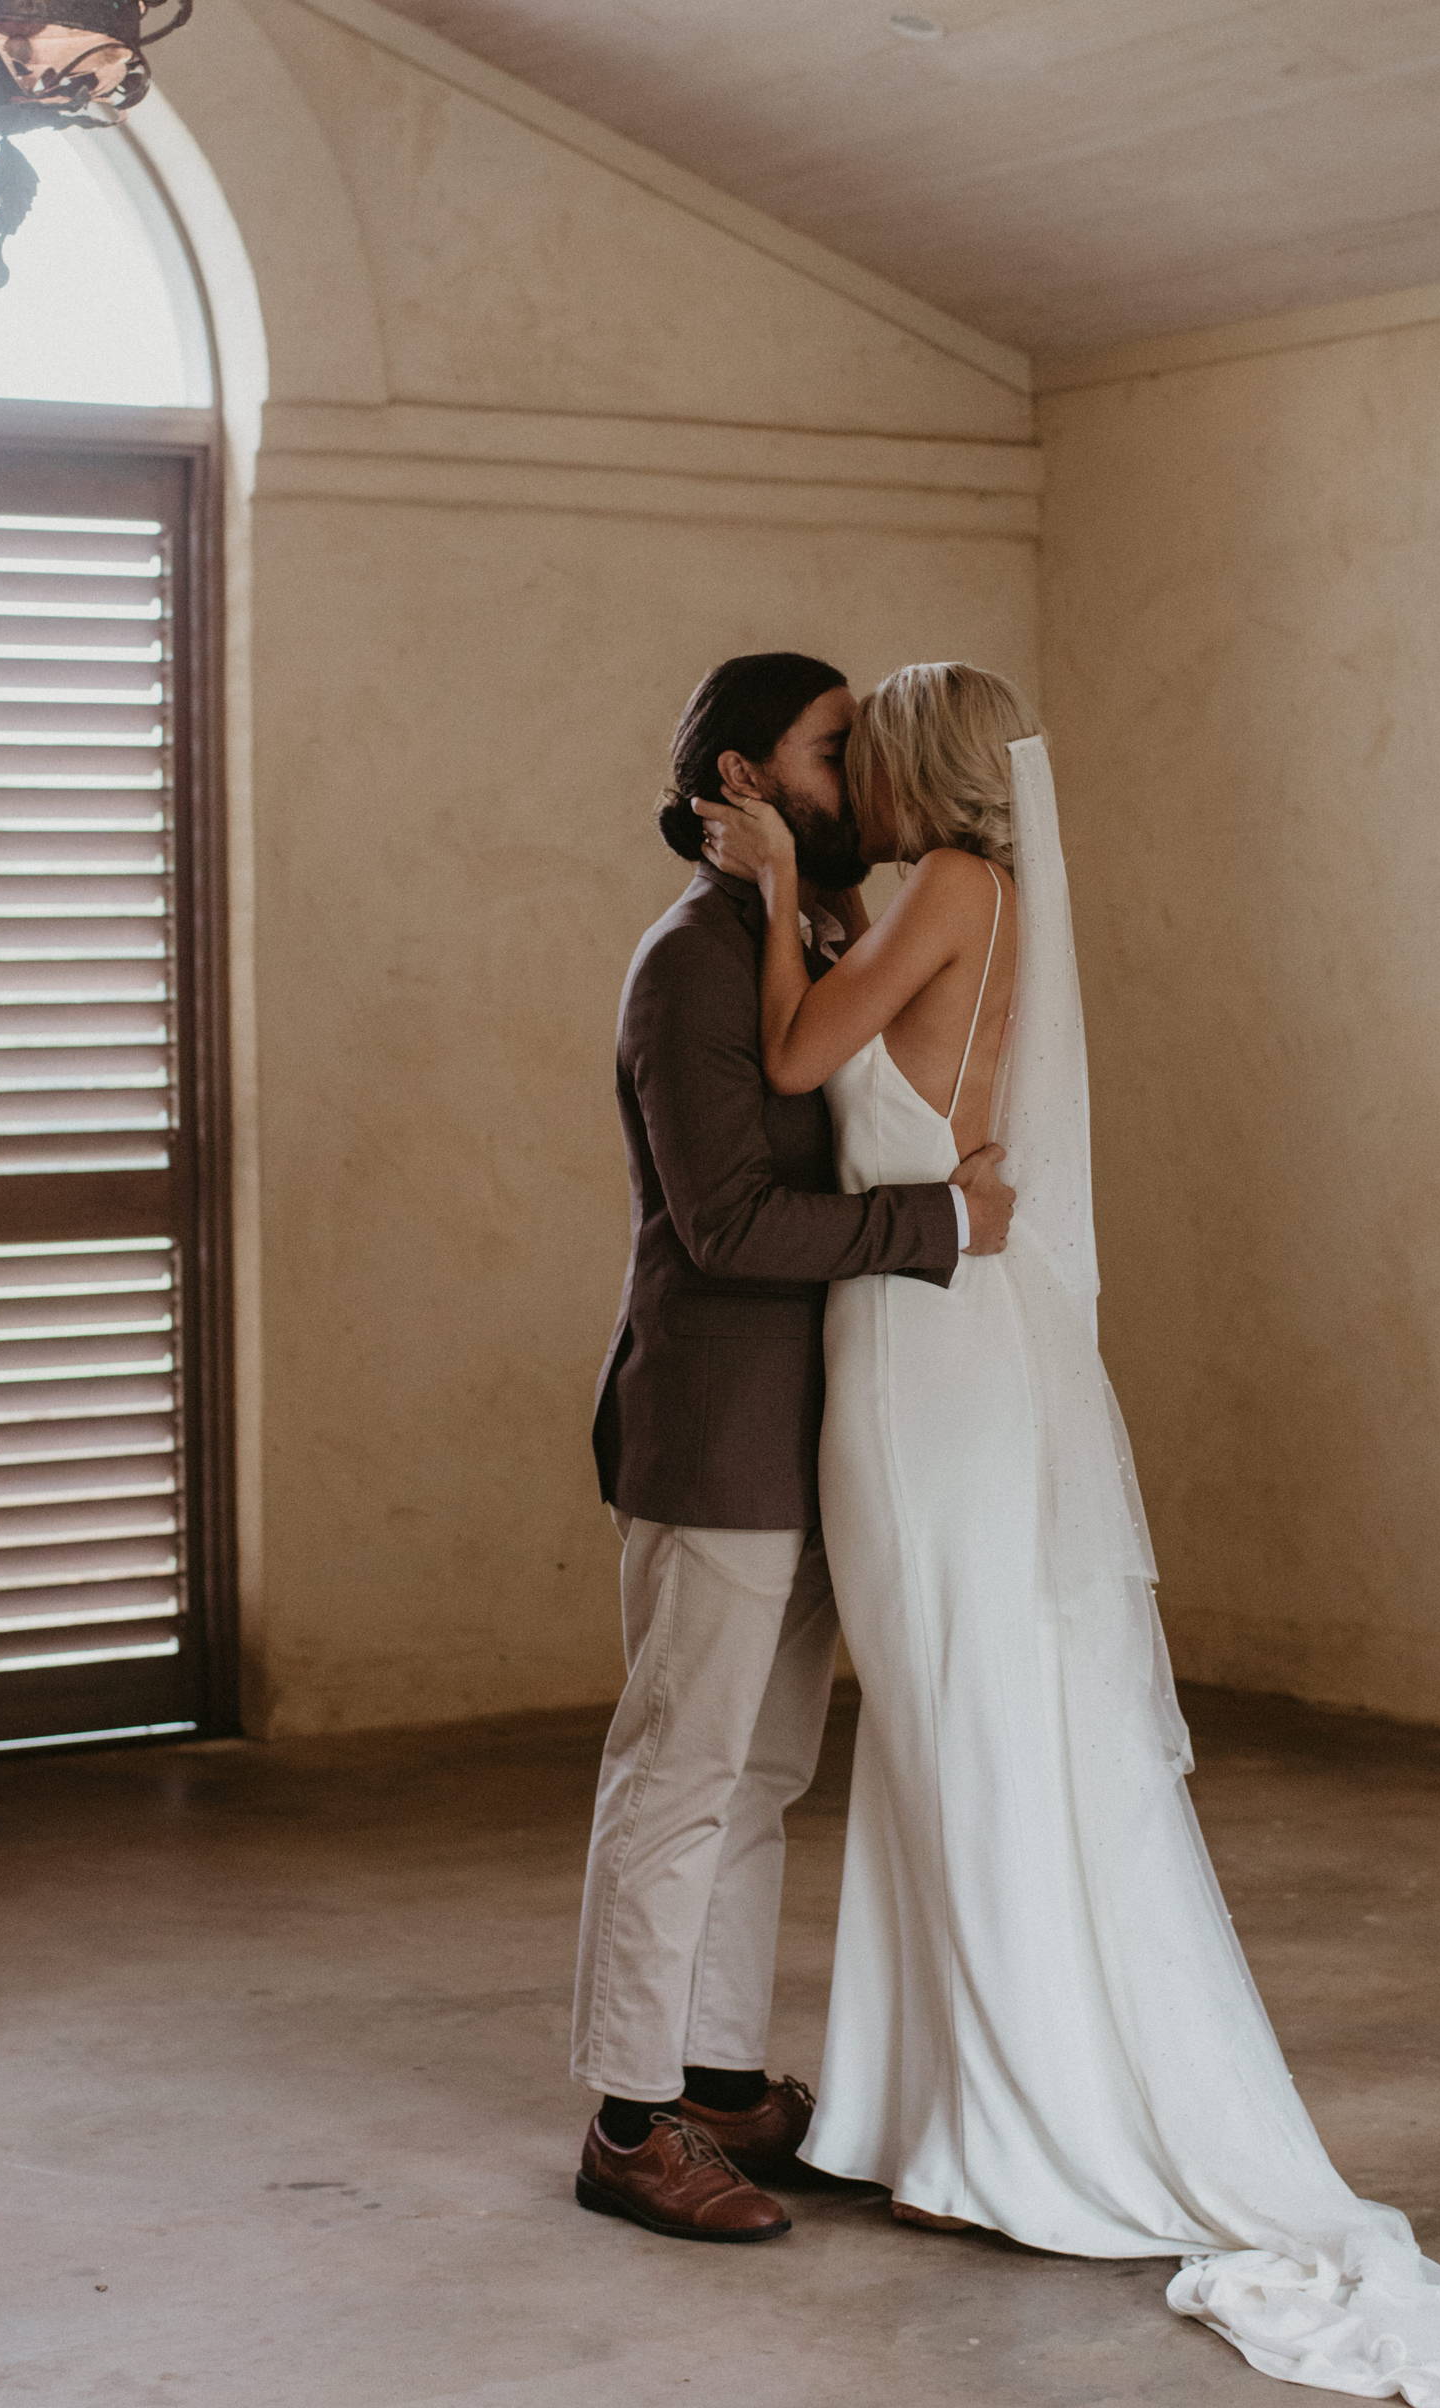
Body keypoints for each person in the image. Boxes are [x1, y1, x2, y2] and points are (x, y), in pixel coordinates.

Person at [695, 662, 1440, 2403]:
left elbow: (792, 1054)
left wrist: (774, 892)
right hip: (926, 1343)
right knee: (947, 1737)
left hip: (927, 1365)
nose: (846, 780)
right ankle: (945, 2112)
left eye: (866, 750)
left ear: (915, 766)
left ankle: (1021, 2125)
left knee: (964, 1734)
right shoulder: (964, 898)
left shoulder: (946, 890)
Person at [569, 652, 1015, 2245]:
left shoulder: (806, 935)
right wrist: (942, 1221)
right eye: (836, 750)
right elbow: (729, 1223)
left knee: (761, 1775)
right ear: (749, 781)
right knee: (677, 1775)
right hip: (716, 1436)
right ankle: (628, 2125)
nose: (868, 776)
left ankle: (717, 2072)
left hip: (828, 1432)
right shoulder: (691, 963)